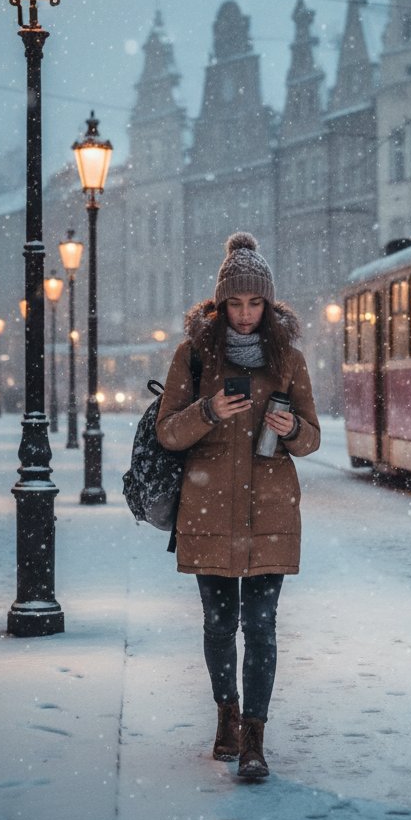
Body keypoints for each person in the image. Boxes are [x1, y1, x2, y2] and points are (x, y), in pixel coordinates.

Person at [156, 232, 320, 779]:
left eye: (255, 303)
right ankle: (226, 717)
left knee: (263, 626)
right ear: (219, 304)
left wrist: (292, 427)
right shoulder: (194, 355)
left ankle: (255, 737)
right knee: (220, 623)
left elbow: (313, 437)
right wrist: (209, 411)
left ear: (268, 305)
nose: (245, 314)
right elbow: (168, 434)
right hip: (208, 511)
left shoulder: (289, 359)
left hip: (270, 511)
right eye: (236, 303)